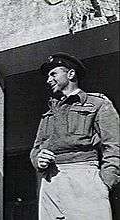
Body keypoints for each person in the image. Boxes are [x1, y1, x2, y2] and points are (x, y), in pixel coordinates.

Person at [30, 52, 120, 220]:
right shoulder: (49, 112)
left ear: (71, 74)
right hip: (51, 181)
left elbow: (114, 145)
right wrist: (38, 159)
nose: (48, 80)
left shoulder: (98, 104)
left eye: (53, 74)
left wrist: (105, 183)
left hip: (84, 178)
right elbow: (36, 148)